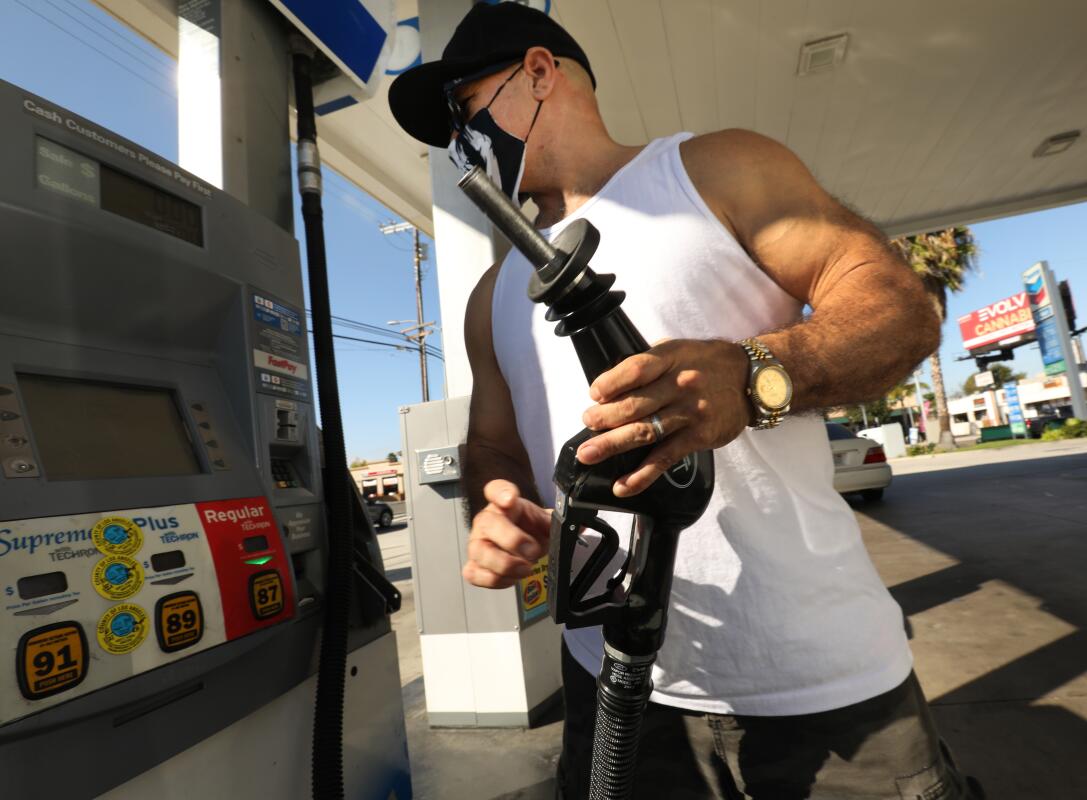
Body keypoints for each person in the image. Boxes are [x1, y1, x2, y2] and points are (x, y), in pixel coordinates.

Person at [389, 4, 983, 798]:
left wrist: (756, 372)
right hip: (612, 690)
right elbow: (494, 447)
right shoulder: (492, 295)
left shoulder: (713, 170)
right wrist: (496, 505)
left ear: (538, 73)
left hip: (820, 690)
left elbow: (899, 310)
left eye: (465, 110)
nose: (459, 145)